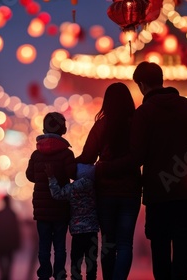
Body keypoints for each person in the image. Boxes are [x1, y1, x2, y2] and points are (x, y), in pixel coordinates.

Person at [105, 62, 187, 279]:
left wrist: (109, 167)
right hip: (184, 189)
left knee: (160, 248)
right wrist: (182, 153)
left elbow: (137, 156)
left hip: (157, 191)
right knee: (183, 244)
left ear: (142, 85)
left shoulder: (144, 113)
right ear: (161, 80)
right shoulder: (183, 105)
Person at [76, 82, 142, 280]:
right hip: (131, 191)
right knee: (125, 243)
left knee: (108, 243)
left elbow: (87, 157)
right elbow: (141, 154)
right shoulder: (137, 124)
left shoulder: (102, 125)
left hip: (105, 192)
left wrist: (65, 162)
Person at [26, 112, 77, 280]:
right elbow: (73, 173)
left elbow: (30, 176)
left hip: (42, 209)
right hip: (61, 207)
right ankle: (59, 273)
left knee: (44, 245)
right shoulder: (66, 154)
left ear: (43, 128)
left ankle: (44, 274)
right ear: (63, 130)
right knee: (60, 246)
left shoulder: (36, 154)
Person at [46, 163, 99, 280]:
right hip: (92, 230)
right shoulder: (96, 188)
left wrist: (51, 178)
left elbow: (57, 194)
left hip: (77, 230)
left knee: (76, 260)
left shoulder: (72, 187)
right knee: (92, 260)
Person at [0, 196, 22, 280]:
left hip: (0, 241)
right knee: (10, 260)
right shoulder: (13, 214)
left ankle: (2, 275)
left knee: (0, 259)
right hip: (10, 241)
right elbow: (16, 229)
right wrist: (18, 242)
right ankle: (7, 275)